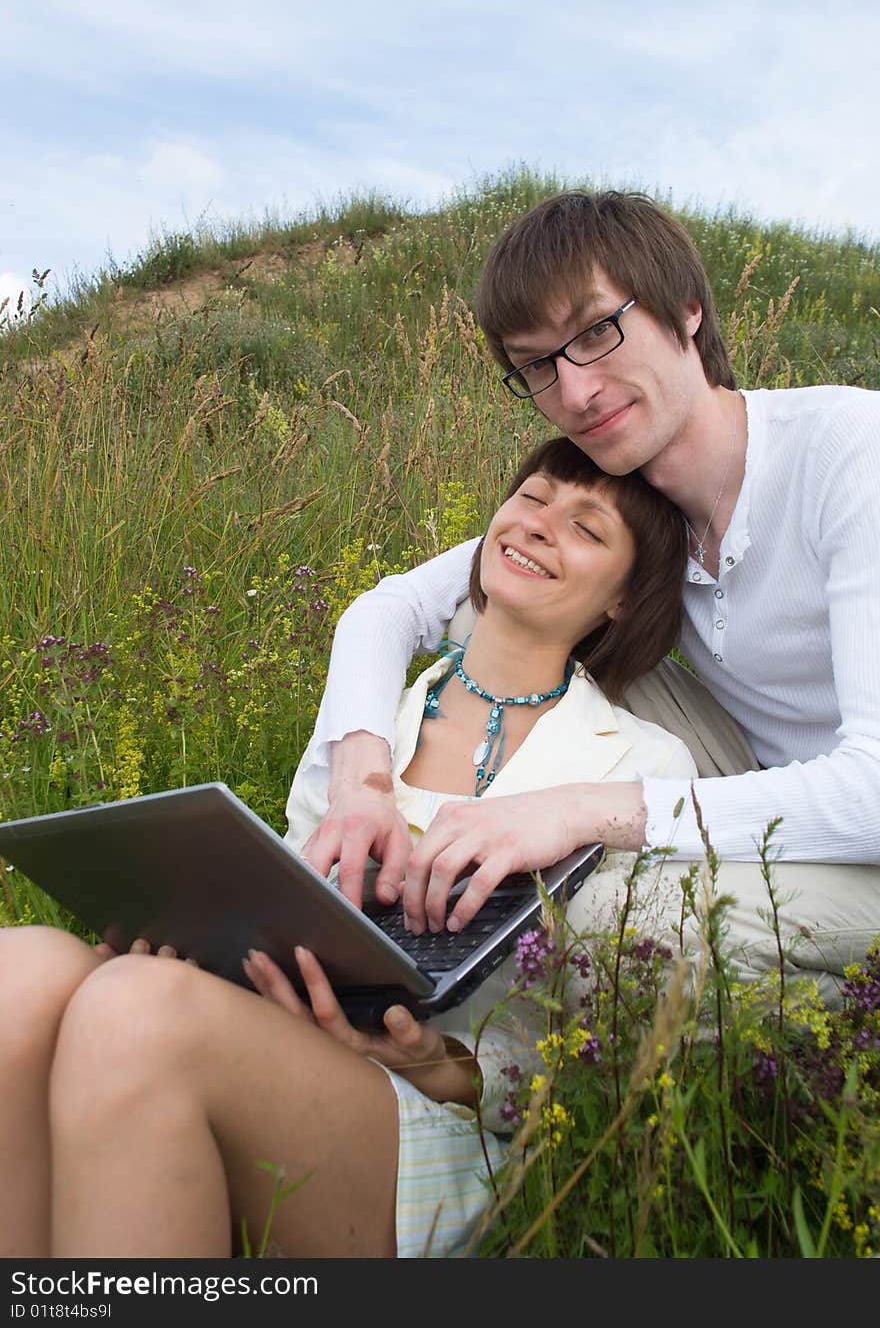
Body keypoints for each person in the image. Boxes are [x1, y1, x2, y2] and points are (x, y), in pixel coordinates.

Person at [0, 438, 698, 1260]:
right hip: (274, 1040)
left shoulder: (638, 763)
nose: (541, 527)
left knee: (132, 1009)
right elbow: (284, 899)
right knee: (27, 974)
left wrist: (434, 1060)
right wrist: (203, 951)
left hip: (439, 1117)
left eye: (587, 528)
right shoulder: (375, 714)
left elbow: (604, 1041)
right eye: (534, 498)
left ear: (622, 599)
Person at [303, 189, 880, 1003]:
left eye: (598, 332)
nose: (575, 393)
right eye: (538, 364)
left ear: (687, 314)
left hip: (867, 838)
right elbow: (390, 608)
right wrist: (360, 785)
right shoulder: (638, 511)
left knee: (601, 912)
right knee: (506, 593)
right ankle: (399, 893)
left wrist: (571, 812)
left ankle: (823, 1065)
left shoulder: (850, 453)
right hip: (765, 796)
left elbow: (874, 794)